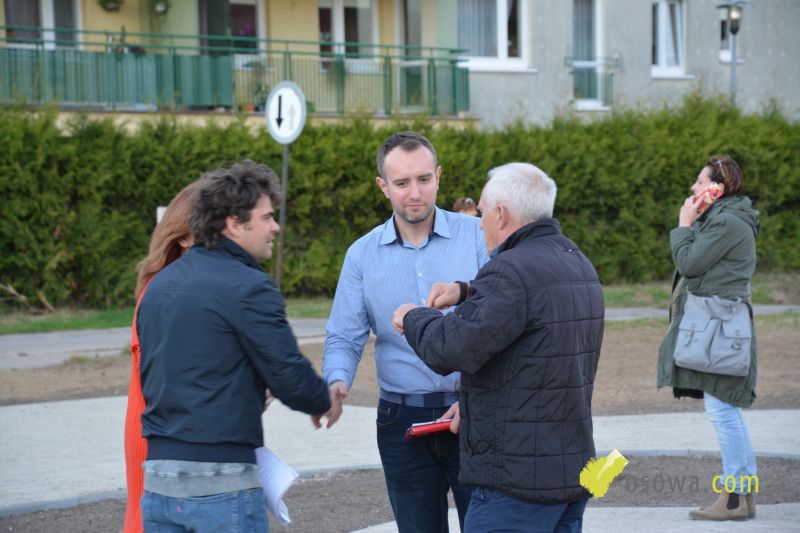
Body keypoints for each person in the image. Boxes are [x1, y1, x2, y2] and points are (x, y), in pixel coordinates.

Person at [392, 162, 604, 533]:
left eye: (483, 214)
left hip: (517, 483)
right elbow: (531, 321)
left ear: (501, 215)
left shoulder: (510, 270)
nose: (480, 224)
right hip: (571, 472)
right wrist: (467, 291)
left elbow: (450, 348)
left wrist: (414, 317)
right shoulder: (577, 262)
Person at [137, 161, 336, 532]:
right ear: (233, 223)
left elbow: (170, 374)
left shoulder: (158, 287)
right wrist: (323, 400)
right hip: (222, 484)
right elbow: (289, 376)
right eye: (267, 217)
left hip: (158, 481)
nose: (275, 227)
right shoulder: (249, 286)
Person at [323, 131, 489, 532]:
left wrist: (479, 397)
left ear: (439, 177)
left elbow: (504, 323)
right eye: (401, 183)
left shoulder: (479, 236)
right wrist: (337, 381)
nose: (415, 193)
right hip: (401, 421)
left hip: (475, 411)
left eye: (424, 179)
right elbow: (344, 336)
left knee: (489, 527)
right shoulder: (361, 255)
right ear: (383, 186)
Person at [657, 155, 759, 521]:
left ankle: (734, 498)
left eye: (700, 181)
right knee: (726, 410)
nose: (693, 187)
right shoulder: (723, 218)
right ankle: (742, 495)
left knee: (722, 411)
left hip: (721, 327)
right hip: (720, 325)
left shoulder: (727, 222)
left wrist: (684, 224)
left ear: (718, 187)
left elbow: (689, 264)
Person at [123, 181, 198, 533]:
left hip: (165, 430)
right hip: (157, 434)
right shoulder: (166, 290)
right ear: (184, 237)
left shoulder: (181, 284)